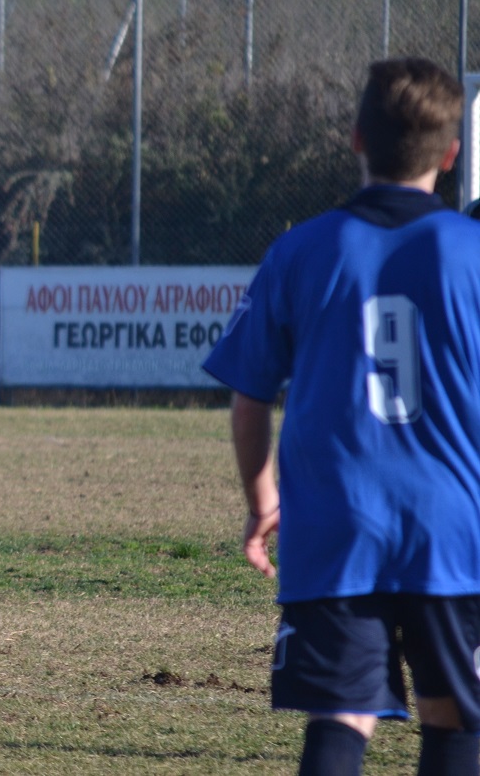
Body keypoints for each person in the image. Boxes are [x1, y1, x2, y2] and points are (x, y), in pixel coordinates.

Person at [202, 57, 480, 776]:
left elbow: (248, 393)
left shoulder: (299, 250)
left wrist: (261, 500)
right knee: (452, 720)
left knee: (340, 718)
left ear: (355, 138)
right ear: (450, 156)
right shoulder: (470, 253)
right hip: (451, 531)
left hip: (334, 527)